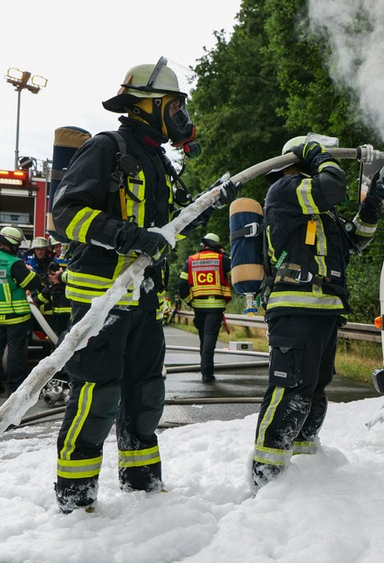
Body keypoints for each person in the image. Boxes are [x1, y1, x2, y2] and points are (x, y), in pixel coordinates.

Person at [50, 58, 237, 513]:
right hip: (101, 295)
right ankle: (76, 500)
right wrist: (126, 237)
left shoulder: (157, 160)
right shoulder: (107, 148)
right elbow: (65, 212)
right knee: (98, 395)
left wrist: (209, 202)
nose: (180, 116)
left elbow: (169, 226)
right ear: (147, 105)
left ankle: (142, 487)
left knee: (145, 392)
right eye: (174, 105)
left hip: (145, 296)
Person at [251, 136, 384, 489]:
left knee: (313, 389)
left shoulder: (318, 209)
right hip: (296, 307)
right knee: (291, 388)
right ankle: (266, 476)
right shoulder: (286, 189)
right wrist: (318, 153)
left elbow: (353, 241)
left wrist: (372, 205)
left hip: (323, 309)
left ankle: (303, 466)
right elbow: (332, 186)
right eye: (316, 156)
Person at [178, 232, 232, 382]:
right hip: (215, 307)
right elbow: (238, 271)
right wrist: (225, 254)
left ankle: (205, 369)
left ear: (204, 245)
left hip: (198, 307)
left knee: (203, 338)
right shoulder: (222, 259)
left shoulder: (191, 260)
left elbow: (182, 283)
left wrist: (189, 300)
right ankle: (207, 373)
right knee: (209, 339)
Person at [0, 226, 42, 394]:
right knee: (16, 353)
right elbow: (33, 283)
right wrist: (29, 271)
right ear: (12, 243)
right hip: (16, 317)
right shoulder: (14, 263)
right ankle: (15, 387)